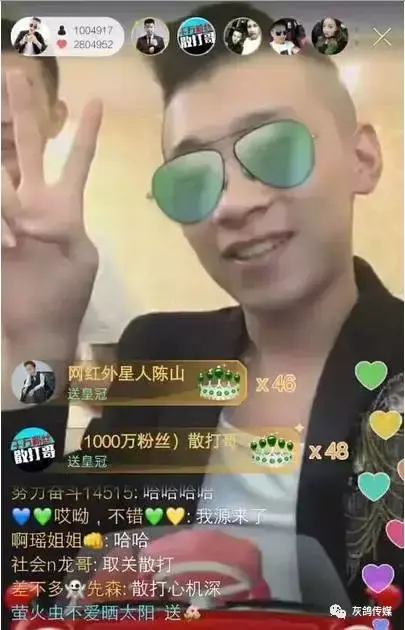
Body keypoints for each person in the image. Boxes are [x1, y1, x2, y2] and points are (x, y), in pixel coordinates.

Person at [2, 0, 403, 623]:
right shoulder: (159, 358)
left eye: (275, 150)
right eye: (192, 179)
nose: (232, 204)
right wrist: (36, 350)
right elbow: (33, 571)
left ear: (363, 159)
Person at [1, 18, 134, 443]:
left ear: (56, 118)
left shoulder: (75, 254)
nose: (2, 116)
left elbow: (113, 395)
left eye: (15, 95)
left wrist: (49, 354)